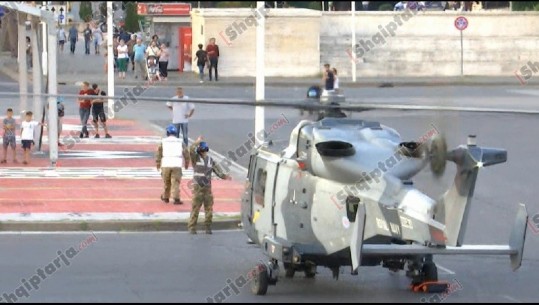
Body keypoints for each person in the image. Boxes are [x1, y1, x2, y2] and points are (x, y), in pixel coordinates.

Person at [188, 136, 231, 234]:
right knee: (202, 208)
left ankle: (200, 228)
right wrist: (197, 142)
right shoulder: (202, 159)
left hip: (203, 187)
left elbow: (217, 171)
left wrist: (225, 176)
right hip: (202, 187)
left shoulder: (204, 160)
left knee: (202, 208)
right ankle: (200, 228)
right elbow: (191, 149)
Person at [155, 124, 190, 205]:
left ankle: (165, 197)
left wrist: (158, 164)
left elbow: (158, 154)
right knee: (176, 182)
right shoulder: (180, 142)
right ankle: (176, 198)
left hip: (166, 164)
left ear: (167, 133)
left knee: (166, 182)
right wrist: (187, 163)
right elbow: (186, 153)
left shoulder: (163, 141)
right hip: (177, 164)